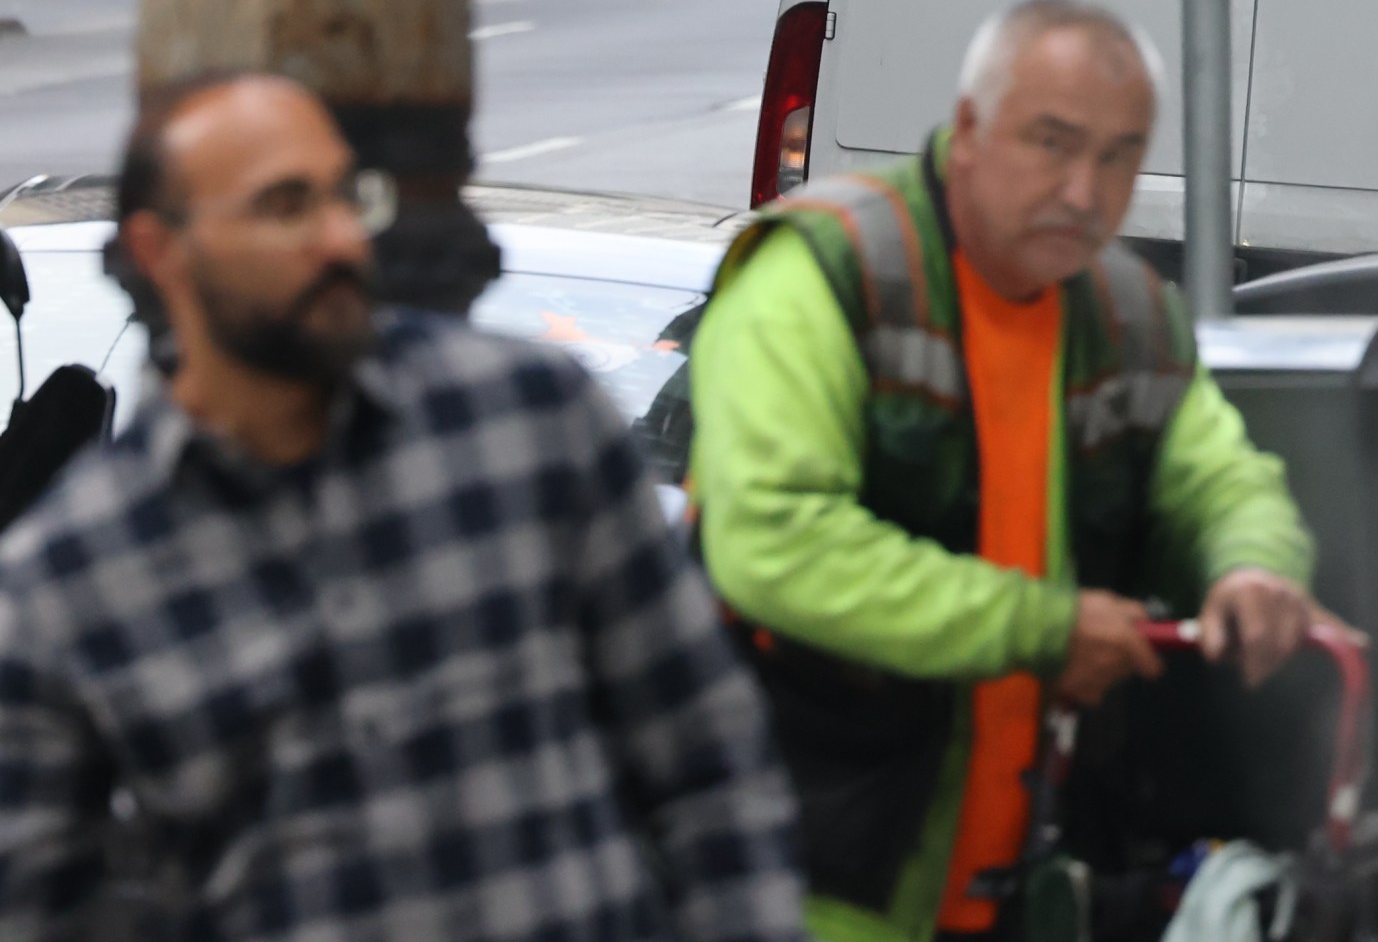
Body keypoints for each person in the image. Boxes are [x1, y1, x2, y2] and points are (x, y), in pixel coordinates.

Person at [0, 72, 802, 937]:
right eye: (285, 206)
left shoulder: (530, 424)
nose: (341, 238)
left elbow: (709, 757)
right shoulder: (66, 592)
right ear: (162, 252)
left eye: (352, 197)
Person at [694, 0, 1323, 941]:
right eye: (1054, 143)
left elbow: (1220, 476)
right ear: (970, 131)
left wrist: (1255, 565)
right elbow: (773, 541)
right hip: (784, 875)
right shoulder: (823, 276)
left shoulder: (1126, 317)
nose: (1085, 190)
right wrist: (1040, 626)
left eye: (1119, 154)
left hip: (1011, 882)